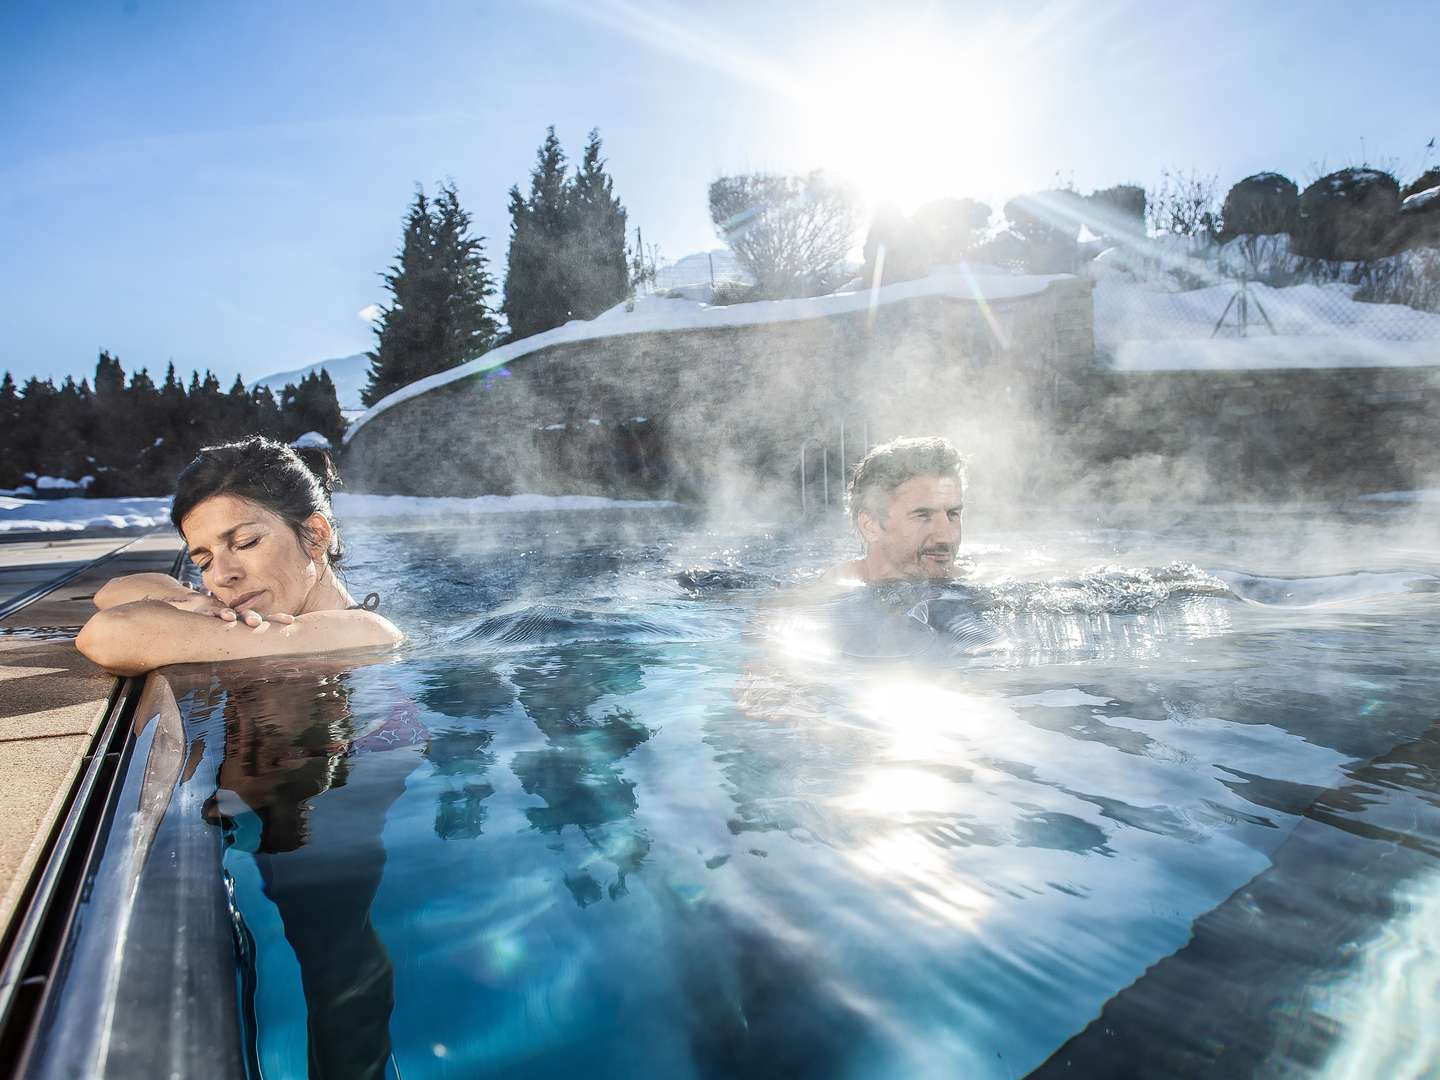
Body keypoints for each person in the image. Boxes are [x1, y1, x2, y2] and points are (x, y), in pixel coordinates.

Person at [77, 436, 401, 675]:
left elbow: (112, 632)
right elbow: (112, 591)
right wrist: (198, 601)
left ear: (316, 535)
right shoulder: (247, 612)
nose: (221, 575)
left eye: (245, 543)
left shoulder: (365, 633)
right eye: (204, 561)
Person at [822, 436, 966, 585]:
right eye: (923, 516)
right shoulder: (829, 595)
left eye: (953, 514)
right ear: (871, 526)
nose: (946, 537)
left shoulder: (975, 591)